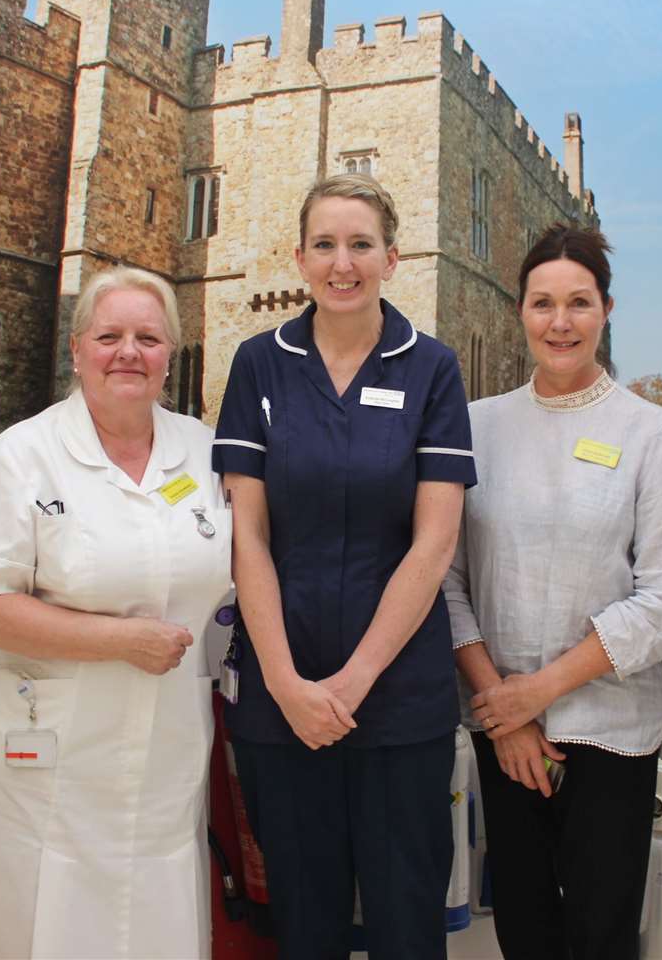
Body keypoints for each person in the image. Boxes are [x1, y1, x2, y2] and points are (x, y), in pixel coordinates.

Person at [0, 267, 232, 960]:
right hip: (46, 745)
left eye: (147, 338)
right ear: (78, 349)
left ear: (170, 354)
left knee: (154, 916)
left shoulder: (204, 453)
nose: (128, 352)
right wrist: (120, 640)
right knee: (50, 922)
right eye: (109, 335)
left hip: (164, 742)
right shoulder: (23, 455)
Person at [212, 173, 476, 960]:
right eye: (325, 245)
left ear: (392, 258)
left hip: (399, 700)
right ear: (299, 257)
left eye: (361, 245)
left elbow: (433, 546)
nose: (342, 263)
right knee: (304, 924)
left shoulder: (430, 369)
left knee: (406, 923)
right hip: (281, 700)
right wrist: (291, 687)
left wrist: (353, 682)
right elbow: (246, 538)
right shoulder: (260, 364)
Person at [444, 224, 662, 960]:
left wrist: (539, 692)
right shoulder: (475, 428)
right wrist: (507, 712)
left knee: (601, 930)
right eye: (543, 303)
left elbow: (661, 603)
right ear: (519, 310)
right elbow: (450, 580)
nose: (561, 322)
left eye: (579, 303)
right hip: (503, 727)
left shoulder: (653, 434)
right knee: (522, 925)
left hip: (610, 728)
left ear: (606, 310)